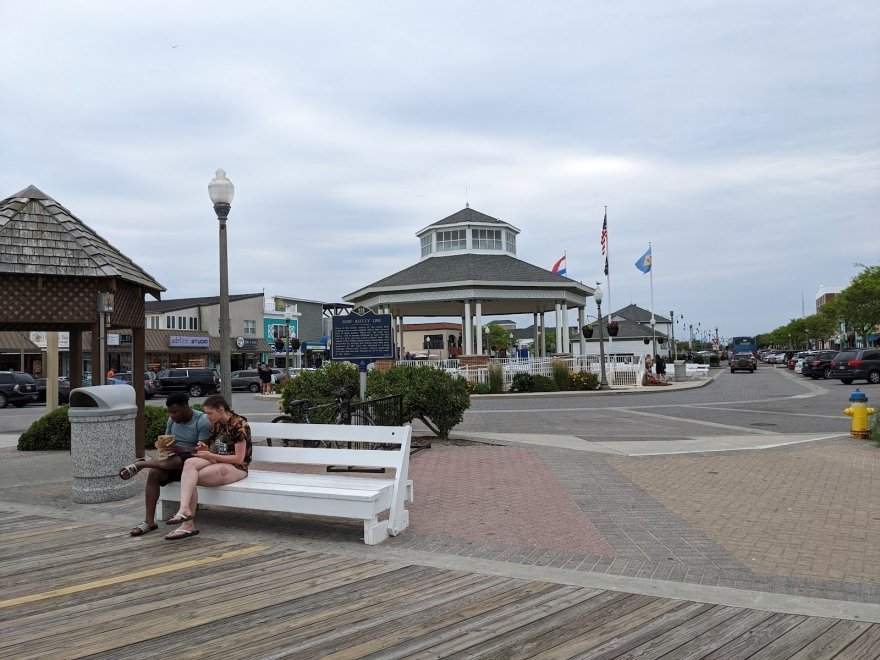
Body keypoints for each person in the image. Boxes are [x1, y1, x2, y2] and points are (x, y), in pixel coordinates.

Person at [118, 392, 211, 536]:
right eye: (170, 413)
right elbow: (166, 443)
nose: (172, 416)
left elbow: (203, 450)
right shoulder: (171, 421)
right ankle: (149, 521)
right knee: (154, 473)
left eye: (175, 412)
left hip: (194, 464)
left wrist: (181, 449)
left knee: (184, 457)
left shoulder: (202, 421)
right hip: (173, 463)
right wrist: (164, 449)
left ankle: (142, 464)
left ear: (185, 407)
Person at [164, 394, 252, 540]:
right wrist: (204, 448)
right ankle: (184, 509)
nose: (207, 417)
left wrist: (210, 455)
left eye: (210, 413)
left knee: (191, 477)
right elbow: (213, 449)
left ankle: (187, 524)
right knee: (189, 463)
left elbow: (239, 458)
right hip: (218, 461)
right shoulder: (216, 425)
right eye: (205, 413)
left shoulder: (239, 424)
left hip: (237, 467)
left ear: (221, 410)